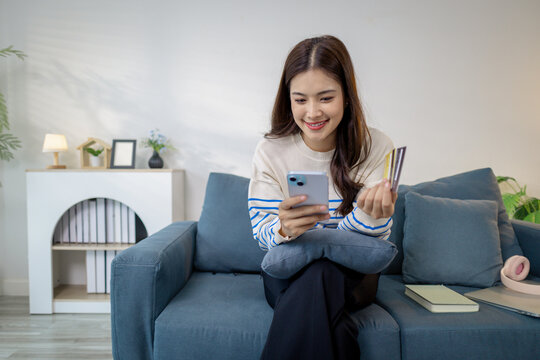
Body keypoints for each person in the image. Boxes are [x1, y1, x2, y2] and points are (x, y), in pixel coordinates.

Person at [248, 35, 397, 360]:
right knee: (329, 307)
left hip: (354, 276)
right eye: (300, 100)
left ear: (347, 96)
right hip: (288, 272)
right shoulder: (271, 151)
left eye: (325, 98)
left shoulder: (376, 146)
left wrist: (372, 216)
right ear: (287, 99)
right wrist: (284, 228)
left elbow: (375, 242)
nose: (312, 112)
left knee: (324, 272)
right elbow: (263, 237)